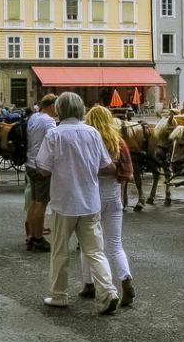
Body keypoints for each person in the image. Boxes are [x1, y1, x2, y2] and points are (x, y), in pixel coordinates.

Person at [34, 91, 121, 315]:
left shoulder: (55, 135)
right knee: (95, 251)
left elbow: (43, 168)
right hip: (90, 201)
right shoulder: (92, 133)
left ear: (60, 110)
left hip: (64, 202)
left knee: (60, 252)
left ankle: (59, 295)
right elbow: (107, 165)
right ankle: (108, 292)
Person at [79, 106, 136, 307]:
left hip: (91, 197)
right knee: (115, 244)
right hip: (114, 196)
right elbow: (125, 172)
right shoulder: (117, 141)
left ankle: (89, 284)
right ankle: (126, 281)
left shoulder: (87, 141)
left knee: (88, 244)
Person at [25, 94, 58, 251]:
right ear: (51, 106)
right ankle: (39, 238)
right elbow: (55, 140)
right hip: (42, 166)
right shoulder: (49, 121)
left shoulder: (34, 117)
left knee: (33, 201)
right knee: (41, 203)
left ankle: (31, 236)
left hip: (30, 163)